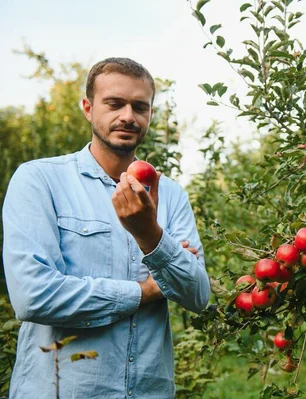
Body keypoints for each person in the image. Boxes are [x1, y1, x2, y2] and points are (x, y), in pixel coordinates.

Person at [2, 57, 211, 398]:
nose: (128, 116)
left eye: (139, 107)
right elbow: (33, 296)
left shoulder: (169, 194)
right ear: (88, 107)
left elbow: (198, 295)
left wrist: (150, 236)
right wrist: (144, 291)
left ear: (150, 115)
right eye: (115, 103)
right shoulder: (40, 180)